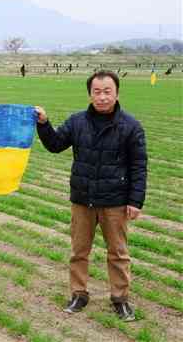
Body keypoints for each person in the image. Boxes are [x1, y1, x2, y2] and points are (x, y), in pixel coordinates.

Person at [34, 70, 147, 322]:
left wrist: (135, 200)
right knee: (79, 251)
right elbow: (54, 144)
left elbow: (139, 166)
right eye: (97, 92)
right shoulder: (77, 122)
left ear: (117, 93)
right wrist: (44, 124)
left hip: (115, 202)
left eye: (107, 91)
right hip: (82, 200)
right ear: (90, 94)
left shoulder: (131, 126)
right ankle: (78, 294)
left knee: (118, 253)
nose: (102, 97)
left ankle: (120, 299)